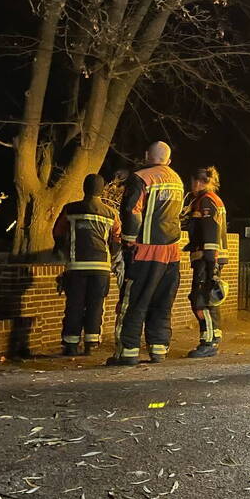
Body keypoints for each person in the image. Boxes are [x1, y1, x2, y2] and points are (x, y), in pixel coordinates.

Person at [109, 141, 185, 366]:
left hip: (145, 251)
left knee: (134, 302)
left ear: (146, 155)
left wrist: (129, 240)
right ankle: (159, 349)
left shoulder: (141, 177)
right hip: (172, 252)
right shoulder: (178, 180)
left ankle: (128, 352)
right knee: (162, 303)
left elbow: (133, 210)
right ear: (168, 160)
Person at [52, 173, 121, 356]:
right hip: (101, 267)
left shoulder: (71, 209)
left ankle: (71, 344)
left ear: (84, 188)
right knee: (96, 304)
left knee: (74, 304)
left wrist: (62, 249)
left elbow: (58, 231)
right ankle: (92, 343)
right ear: (101, 189)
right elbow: (117, 239)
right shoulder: (111, 213)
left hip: (76, 265)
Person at [183, 166, 228, 358]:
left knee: (200, 300)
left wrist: (212, 267)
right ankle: (213, 337)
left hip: (206, 259)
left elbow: (210, 234)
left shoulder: (206, 201)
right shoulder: (207, 200)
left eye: (192, 182)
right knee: (209, 299)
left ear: (199, 181)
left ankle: (208, 341)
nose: (191, 186)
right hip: (208, 259)